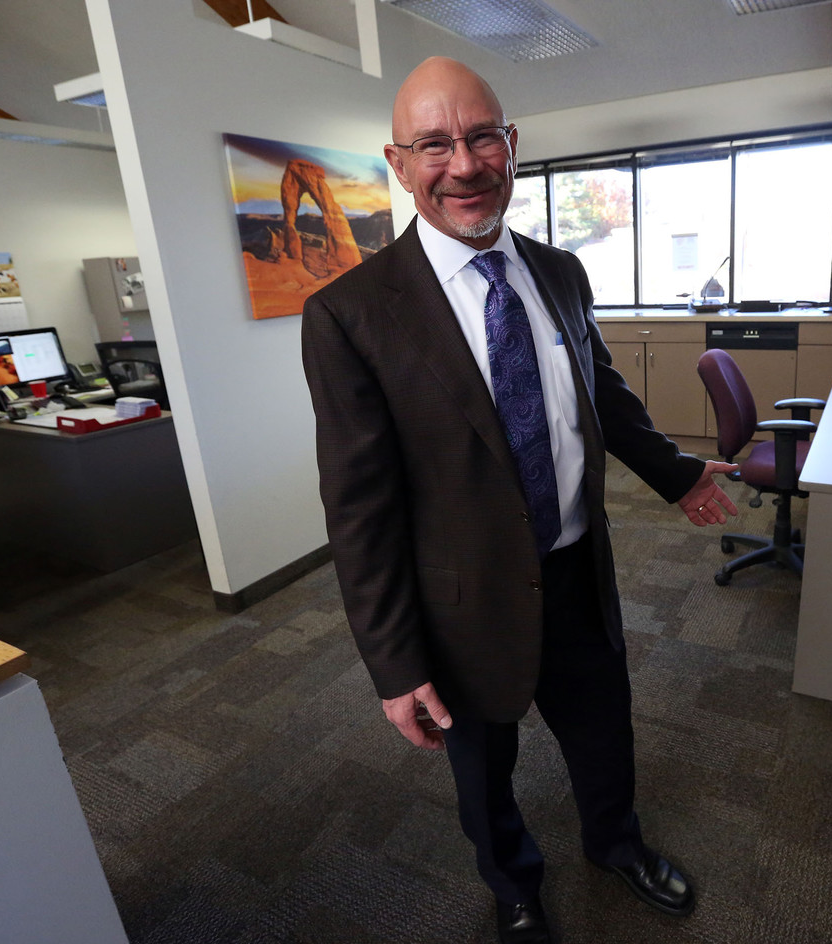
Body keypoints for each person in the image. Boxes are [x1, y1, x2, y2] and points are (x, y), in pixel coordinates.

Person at [301, 56, 738, 944]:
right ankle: (513, 888)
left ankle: (616, 845)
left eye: (481, 138)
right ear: (398, 162)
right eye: (435, 145)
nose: (463, 165)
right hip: (462, 599)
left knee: (604, 731)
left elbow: (601, 393)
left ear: (511, 144)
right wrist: (394, 663)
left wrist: (677, 473)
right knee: (482, 766)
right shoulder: (351, 314)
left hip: (577, 570)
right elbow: (359, 508)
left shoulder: (561, 272)